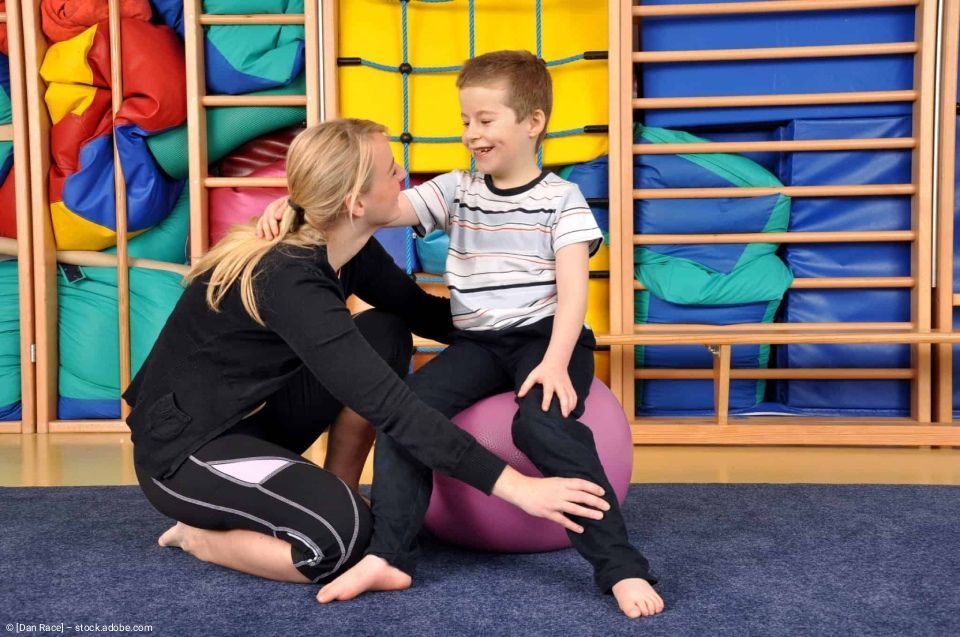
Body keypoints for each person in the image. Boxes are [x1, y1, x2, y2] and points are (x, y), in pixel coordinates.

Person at [123, 118, 611, 593]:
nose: (403, 177)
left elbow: (428, 315)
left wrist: (538, 333)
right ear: (356, 203)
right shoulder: (289, 279)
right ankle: (199, 538)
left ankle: (341, 485)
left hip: (254, 425)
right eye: (392, 169)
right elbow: (393, 410)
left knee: (384, 328)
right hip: (186, 454)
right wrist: (519, 488)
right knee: (340, 540)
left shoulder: (347, 248)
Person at [258, 51, 663, 619]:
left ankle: (620, 566)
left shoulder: (562, 201)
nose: (472, 133)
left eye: (486, 119)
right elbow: (373, 206)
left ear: (533, 122)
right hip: (477, 344)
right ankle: (392, 555)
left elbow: (575, 294)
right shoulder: (456, 190)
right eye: (466, 120)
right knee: (407, 416)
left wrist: (553, 361)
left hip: (547, 339)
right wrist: (300, 203)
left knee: (540, 424)